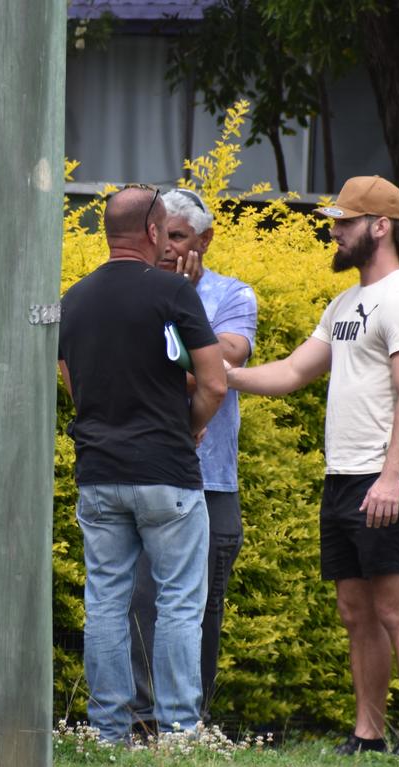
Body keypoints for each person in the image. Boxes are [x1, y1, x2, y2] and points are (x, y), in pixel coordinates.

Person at [225, 176, 399, 757]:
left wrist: (392, 475)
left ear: (379, 227)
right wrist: (222, 377)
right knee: (355, 610)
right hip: (342, 478)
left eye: (344, 222)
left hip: (384, 477)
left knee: (397, 608)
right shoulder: (345, 304)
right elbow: (294, 373)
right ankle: (367, 735)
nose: (334, 231)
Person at [58, 185, 227, 743]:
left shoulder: (74, 299)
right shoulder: (173, 293)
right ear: (154, 232)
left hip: (99, 475)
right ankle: (179, 733)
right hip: (167, 474)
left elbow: (72, 385)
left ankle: (109, 733)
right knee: (179, 603)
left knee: (106, 601)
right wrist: (191, 423)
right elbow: (214, 380)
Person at [128, 188, 257, 729]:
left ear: (205, 240)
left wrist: (178, 307)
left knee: (202, 610)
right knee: (139, 606)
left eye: (178, 236)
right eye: (159, 234)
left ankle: (189, 723)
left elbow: (226, 359)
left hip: (213, 479)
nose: (165, 246)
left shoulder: (233, 294)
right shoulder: (130, 288)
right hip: (145, 474)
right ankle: (138, 722)